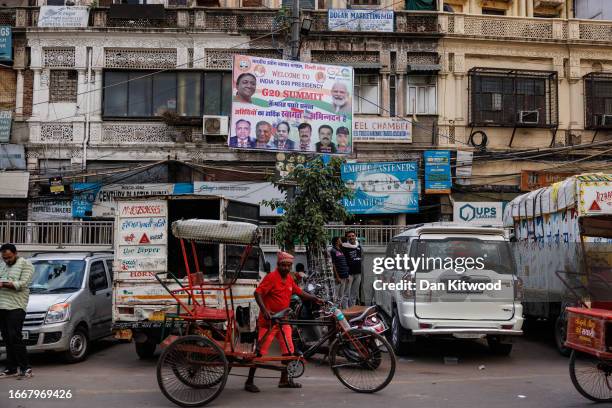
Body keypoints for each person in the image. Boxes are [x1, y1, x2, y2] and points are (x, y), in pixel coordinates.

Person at [244, 251, 322, 393]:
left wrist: (314, 298)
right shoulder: (271, 277)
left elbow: (299, 292)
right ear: (278, 265)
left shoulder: (289, 278)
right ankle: (249, 381)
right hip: (269, 322)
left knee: (289, 351)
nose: (286, 268)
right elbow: (258, 293)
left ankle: (284, 380)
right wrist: (265, 311)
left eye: (288, 266)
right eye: (283, 265)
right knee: (259, 352)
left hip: (283, 321)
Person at [0, 244, 34, 379]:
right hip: (2, 305)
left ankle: (26, 368)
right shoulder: (2, 265)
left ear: (16, 253)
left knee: (15, 336)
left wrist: (3, 283)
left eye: (9, 257)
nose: (6, 260)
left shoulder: (26, 265)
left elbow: (22, 284)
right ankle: (11, 368)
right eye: (4, 258)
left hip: (16, 306)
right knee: (7, 337)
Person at [342, 231, 362, 307]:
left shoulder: (358, 246)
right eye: (349, 236)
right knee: (346, 294)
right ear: (347, 238)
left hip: (358, 273)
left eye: (353, 236)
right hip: (349, 274)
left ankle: (352, 309)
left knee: (354, 294)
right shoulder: (344, 247)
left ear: (355, 236)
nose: (351, 237)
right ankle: (346, 311)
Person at [330, 237, 350, 309]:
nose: (341, 241)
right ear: (337, 241)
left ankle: (338, 310)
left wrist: (347, 275)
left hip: (344, 275)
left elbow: (344, 263)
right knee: (336, 296)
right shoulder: (333, 251)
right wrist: (337, 276)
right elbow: (333, 264)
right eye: (340, 240)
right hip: (338, 277)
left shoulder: (341, 250)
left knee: (341, 296)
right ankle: (334, 311)